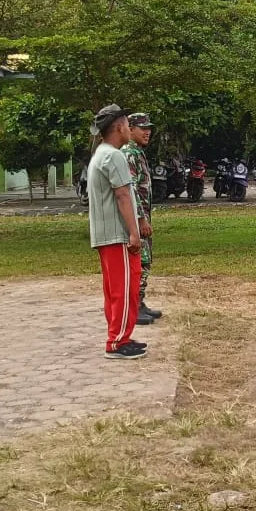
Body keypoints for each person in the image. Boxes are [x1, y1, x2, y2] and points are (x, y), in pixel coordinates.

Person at [86, 105, 146, 359]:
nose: (128, 127)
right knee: (124, 289)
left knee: (115, 290)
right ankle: (117, 342)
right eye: (125, 122)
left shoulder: (102, 153)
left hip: (105, 234)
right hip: (116, 235)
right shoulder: (114, 156)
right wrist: (134, 232)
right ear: (119, 127)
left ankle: (120, 335)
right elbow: (123, 195)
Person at [123, 112, 160, 326]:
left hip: (144, 215)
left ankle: (140, 301)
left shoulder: (137, 152)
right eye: (142, 128)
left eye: (149, 128)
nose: (147, 132)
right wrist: (140, 220)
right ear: (130, 130)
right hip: (138, 219)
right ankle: (134, 306)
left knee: (146, 260)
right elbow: (131, 189)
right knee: (141, 260)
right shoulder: (129, 153)